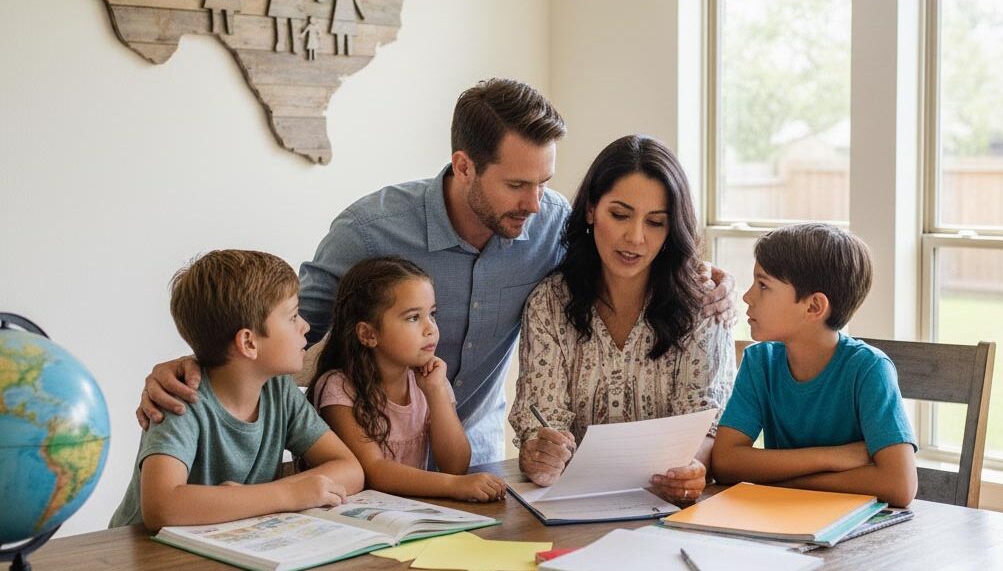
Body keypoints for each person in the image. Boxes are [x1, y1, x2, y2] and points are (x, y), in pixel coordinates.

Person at [135, 78, 737, 465]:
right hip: (359, 466)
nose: (535, 203)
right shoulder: (369, 231)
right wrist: (194, 365)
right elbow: (278, 336)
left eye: (545, 183)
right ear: (464, 166)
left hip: (468, 462)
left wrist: (706, 279)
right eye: (517, 184)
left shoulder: (551, 224)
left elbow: (631, 244)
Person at [509, 135, 735, 503]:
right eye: (620, 214)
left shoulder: (704, 303)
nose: (635, 238)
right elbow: (540, 426)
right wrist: (539, 457)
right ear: (590, 210)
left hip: (669, 515)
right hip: (570, 513)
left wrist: (692, 469)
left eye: (656, 222)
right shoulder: (548, 303)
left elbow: (703, 427)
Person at [109, 250, 364, 529]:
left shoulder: (278, 390)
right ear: (248, 343)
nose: (305, 325)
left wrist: (267, 496)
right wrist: (288, 494)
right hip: (143, 554)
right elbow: (162, 507)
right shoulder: (181, 398)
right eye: (292, 317)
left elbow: (350, 469)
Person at [711, 223, 918, 507]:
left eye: (763, 285)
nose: (747, 296)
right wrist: (834, 457)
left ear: (813, 307)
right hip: (783, 522)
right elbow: (725, 462)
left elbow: (900, 485)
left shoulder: (869, 369)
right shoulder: (760, 362)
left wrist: (784, 482)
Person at [307, 256, 506, 501]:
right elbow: (375, 472)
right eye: (413, 317)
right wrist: (454, 486)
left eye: (432, 314)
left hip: (413, 512)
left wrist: (436, 394)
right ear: (368, 334)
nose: (430, 328)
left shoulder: (429, 381)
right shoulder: (340, 389)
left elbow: (455, 465)